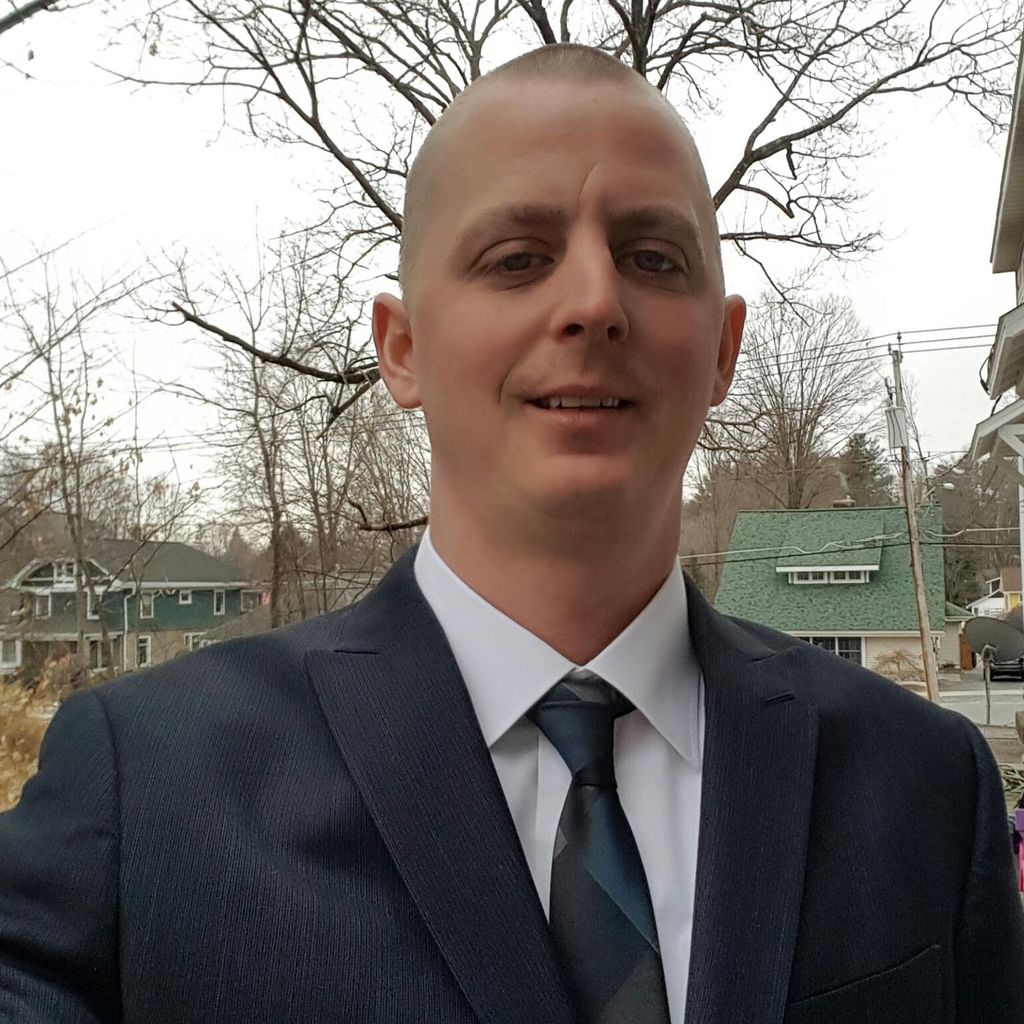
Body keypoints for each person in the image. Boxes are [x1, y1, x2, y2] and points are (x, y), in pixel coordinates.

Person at [1, 43, 1021, 1024]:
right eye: (517, 258)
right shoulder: (150, 790)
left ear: (722, 349)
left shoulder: (923, 787)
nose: (594, 301)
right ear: (402, 349)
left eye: (652, 257)